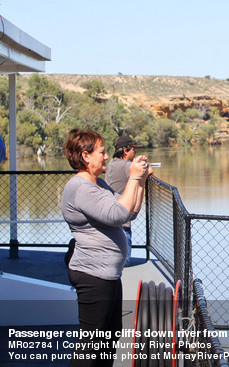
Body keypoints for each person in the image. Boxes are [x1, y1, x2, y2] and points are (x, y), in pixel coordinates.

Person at [61, 128, 152, 366]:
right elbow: (117, 214)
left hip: (108, 274)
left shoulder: (98, 184)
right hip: (92, 274)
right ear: (85, 156)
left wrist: (140, 181)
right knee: (91, 343)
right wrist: (132, 177)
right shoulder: (81, 187)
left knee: (110, 336)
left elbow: (129, 212)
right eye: (101, 152)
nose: (105, 157)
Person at [105, 136, 139, 266]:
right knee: (125, 260)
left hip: (111, 212)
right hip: (123, 216)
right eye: (133, 149)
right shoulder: (127, 166)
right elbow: (142, 173)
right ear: (126, 151)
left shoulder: (112, 162)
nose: (135, 152)